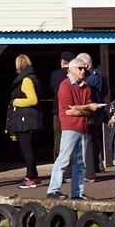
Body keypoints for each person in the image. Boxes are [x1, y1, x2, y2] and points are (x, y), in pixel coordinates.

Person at [46, 57, 100, 200]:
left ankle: (78, 192)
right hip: (70, 127)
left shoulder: (86, 87)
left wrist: (80, 110)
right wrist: (87, 108)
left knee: (81, 162)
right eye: (80, 68)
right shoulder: (65, 85)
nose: (83, 71)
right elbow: (68, 108)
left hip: (83, 128)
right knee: (63, 159)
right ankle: (53, 190)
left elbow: (79, 109)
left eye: (84, 68)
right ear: (71, 69)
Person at [6, 54, 43, 188]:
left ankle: (30, 177)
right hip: (30, 118)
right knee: (31, 149)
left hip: (25, 120)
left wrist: (16, 102)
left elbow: (33, 100)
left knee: (27, 149)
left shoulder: (26, 80)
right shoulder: (32, 77)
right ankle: (35, 176)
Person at [76, 53, 108, 181]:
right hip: (98, 111)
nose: (81, 71)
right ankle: (96, 164)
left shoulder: (90, 79)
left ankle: (91, 168)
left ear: (87, 65)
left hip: (92, 111)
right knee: (95, 139)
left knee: (90, 140)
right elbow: (105, 92)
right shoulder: (101, 75)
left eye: (81, 67)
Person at [50, 51, 74, 163]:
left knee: (59, 137)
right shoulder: (75, 74)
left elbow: (52, 88)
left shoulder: (55, 74)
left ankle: (59, 162)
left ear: (63, 61)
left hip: (58, 109)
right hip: (73, 109)